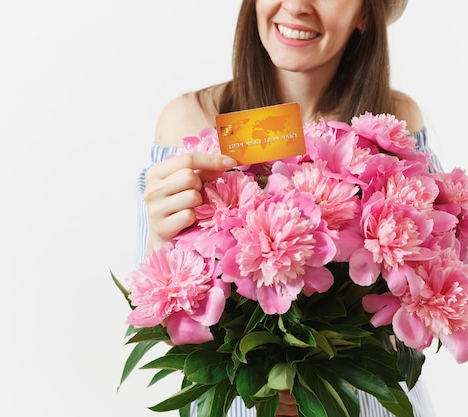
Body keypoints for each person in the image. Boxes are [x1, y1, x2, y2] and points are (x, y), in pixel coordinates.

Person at [136, 1, 439, 416]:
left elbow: (428, 289)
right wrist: (161, 230)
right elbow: (158, 318)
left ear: (366, 13)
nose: (296, 6)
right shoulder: (188, 122)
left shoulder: (393, 124)